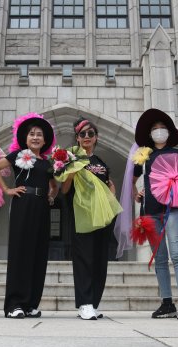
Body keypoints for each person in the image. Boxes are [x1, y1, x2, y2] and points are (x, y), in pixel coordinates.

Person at [0, 114, 58, 319]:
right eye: (32, 134)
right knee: (21, 252)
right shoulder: (18, 155)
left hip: (42, 207)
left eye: (39, 135)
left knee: (38, 254)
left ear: (45, 141)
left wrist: (52, 195)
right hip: (23, 203)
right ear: (25, 138)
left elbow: (54, 184)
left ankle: (30, 304)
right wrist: (7, 189)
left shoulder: (48, 162)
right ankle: (14, 304)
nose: (36, 137)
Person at [132, 109, 178, 320]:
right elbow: (132, 180)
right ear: (150, 134)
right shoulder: (144, 155)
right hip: (150, 212)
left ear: (169, 131)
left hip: (173, 209)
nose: (159, 131)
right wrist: (137, 193)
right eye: (155, 129)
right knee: (159, 259)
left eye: (162, 128)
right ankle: (167, 303)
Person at [61, 117, 120, 320]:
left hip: (103, 218)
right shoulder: (71, 159)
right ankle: (84, 303)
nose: (87, 137)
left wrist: (111, 196)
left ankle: (94, 303)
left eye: (91, 134)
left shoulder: (100, 162)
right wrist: (70, 173)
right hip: (81, 216)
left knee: (100, 260)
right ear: (77, 138)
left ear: (96, 138)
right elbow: (65, 189)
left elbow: (109, 183)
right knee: (84, 260)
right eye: (82, 134)